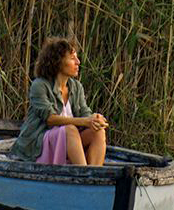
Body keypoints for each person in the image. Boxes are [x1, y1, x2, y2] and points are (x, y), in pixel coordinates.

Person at [10, 36, 110, 165]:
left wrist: (96, 119)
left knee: (98, 132)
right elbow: (50, 119)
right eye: (72, 58)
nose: (78, 62)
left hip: (69, 140)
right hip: (39, 143)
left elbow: (85, 113)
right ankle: (84, 175)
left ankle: (94, 176)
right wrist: (85, 121)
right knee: (70, 129)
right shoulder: (40, 85)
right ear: (57, 61)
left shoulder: (76, 87)